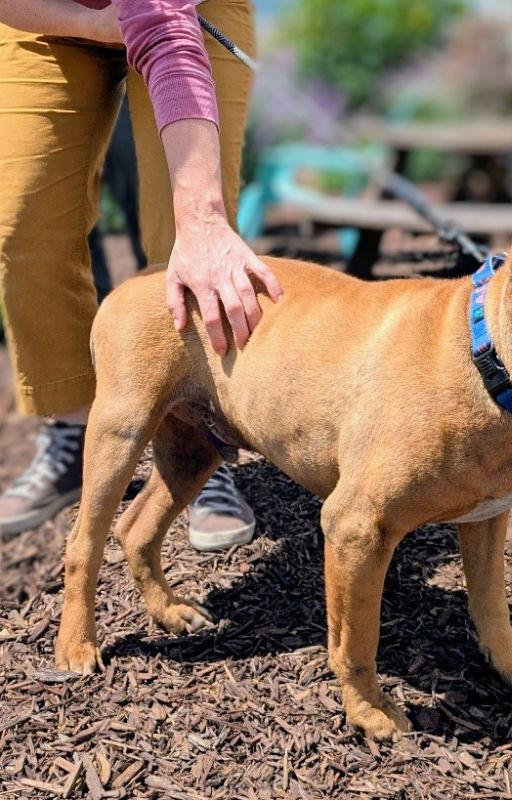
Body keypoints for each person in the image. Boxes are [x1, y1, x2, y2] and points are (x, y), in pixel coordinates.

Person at [0, 0, 282, 550]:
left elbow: (164, 30)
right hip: (46, 13)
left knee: (186, 237)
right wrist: (92, 24)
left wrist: (200, 220)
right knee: (22, 224)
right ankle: (74, 427)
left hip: (184, 12)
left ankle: (200, 448)